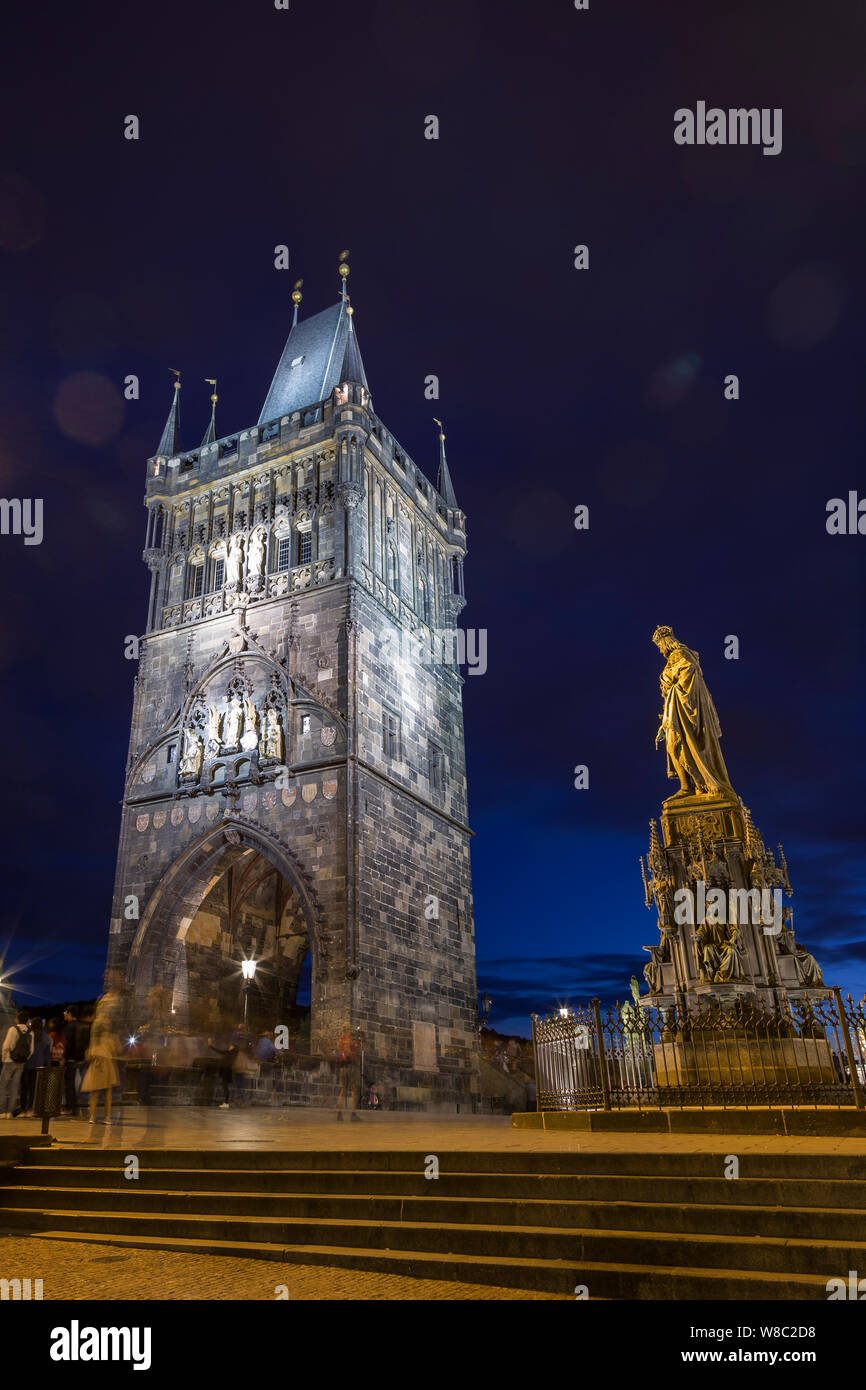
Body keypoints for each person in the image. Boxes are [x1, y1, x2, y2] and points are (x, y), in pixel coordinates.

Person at [80, 990, 122, 1125]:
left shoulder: (98, 1021)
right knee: (105, 1090)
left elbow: (94, 1040)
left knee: (97, 1090)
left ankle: (94, 1116)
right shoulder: (104, 1021)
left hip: (99, 1056)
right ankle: (106, 1117)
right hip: (104, 1056)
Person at [0, 1010, 33, 1118]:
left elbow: (6, 1046)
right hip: (21, 1062)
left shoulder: (13, 1029)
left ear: (17, 1019)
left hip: (9, 1061)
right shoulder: (30, 1032)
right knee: (15, 1087)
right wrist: (24, 1058)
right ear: (27, 1020)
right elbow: (31, 1050)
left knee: (3, 1086)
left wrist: (4, 1058)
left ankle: (2, 1111)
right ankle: (10, 1112)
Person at [20, 1017, 50, 1115]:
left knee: (24, 1087)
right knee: (34, 1087)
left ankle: (23, 1107)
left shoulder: (29, 1034)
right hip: (39, 1065)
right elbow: (47, 1053)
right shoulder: (45, 1036)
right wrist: (47, 1065)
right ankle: (31, 1107)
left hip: (27, 1063)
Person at [207, 1026, 238, 1108]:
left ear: (233, 1047)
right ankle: (226, 1102)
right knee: (225, 1087)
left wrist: (211, 1046)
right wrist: (211, 1046)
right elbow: (220, 1051)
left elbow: (222, 1054)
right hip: (225, 1071)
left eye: (231, 1046)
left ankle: (226, 1103)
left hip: (226, 1072)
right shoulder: (230, 1053)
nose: (229, 1046)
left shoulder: (232, 1054)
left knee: (225, 1087)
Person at [62, 1006, 85, 1115]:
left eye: (65, 1012)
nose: (64, 1014)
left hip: (71, 1058)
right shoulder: (81, 1025)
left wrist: (65, 1057)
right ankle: (76, 1106)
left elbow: (68, 1043)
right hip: (81, 1058)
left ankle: (69, 1107)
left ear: (70, 1014)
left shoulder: (70, 1026)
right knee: (78, 1083)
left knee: (69, 1083)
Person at [335, 1025, 359, 1117]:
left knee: (343, 1090)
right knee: (353, 1090)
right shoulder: (349, 1040)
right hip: (351, 1066)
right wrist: (353, 1054)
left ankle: (339, 1113)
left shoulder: (340, 1040)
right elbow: (348, 1052)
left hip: (343, 1066)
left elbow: (342, 1052)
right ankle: (353, 1113)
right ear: (348, 1030)